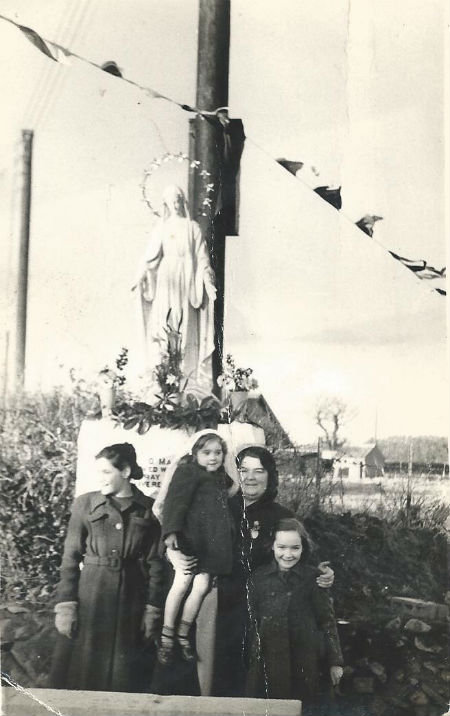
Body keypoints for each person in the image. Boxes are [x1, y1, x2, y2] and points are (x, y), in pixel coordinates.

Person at [213, 445, 335, 697]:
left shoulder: (282, 515)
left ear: (270, 475)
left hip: (267, 609)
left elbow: (305, 556)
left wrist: (324, 573)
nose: (250, 477)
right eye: (243, 470)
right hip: (224, 606)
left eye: (258, 471)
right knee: (224, 675)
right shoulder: (221, 509)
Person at [49, 443, 164, 692]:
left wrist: (152, 610)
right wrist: (67, 606)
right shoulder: (85, 504)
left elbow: (157, 563)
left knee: (125, 677)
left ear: (125, 471)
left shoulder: (148, 508)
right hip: (91, 595)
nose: (100, 479)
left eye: (106, 472)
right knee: (81, 672)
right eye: (98, 472)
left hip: (131, 600)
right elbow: (70, 558)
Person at [246, 518, 343, 713]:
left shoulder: (313, 578)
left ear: (303, 548)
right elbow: (251, 621)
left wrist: (335, 661)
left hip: (305, 661)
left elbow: (327, 622)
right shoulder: (258, 578)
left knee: (304, 706)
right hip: (267, 660)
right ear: (271, 546)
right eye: (281, 547)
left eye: (295, 548)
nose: (288, 555)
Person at [157, 431, 234, 666]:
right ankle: (167, 636)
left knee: (201, 587)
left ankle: (183, 634)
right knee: (182, 583)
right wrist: (170, 533)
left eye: (218, 453)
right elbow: (173, 503)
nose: (213, 458)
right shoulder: (187, 472)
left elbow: (230, 493)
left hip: (211, 542)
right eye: (206, 452)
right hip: (191, 538)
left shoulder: (220, 478)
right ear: (195, 454)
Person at [133, 184, 216, 395]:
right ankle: (163, 383)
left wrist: (207, 280)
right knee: (164, 325)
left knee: (183, 325)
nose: (176, 203)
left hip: (186, 279)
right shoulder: (161, 228)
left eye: (178, 199)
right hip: (166, 278)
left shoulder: (192, 227)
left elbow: (202, 257)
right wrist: (140, 275)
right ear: (166, 204)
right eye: (171, 200)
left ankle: (185, 382)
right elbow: (149, 257)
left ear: (183, 201)